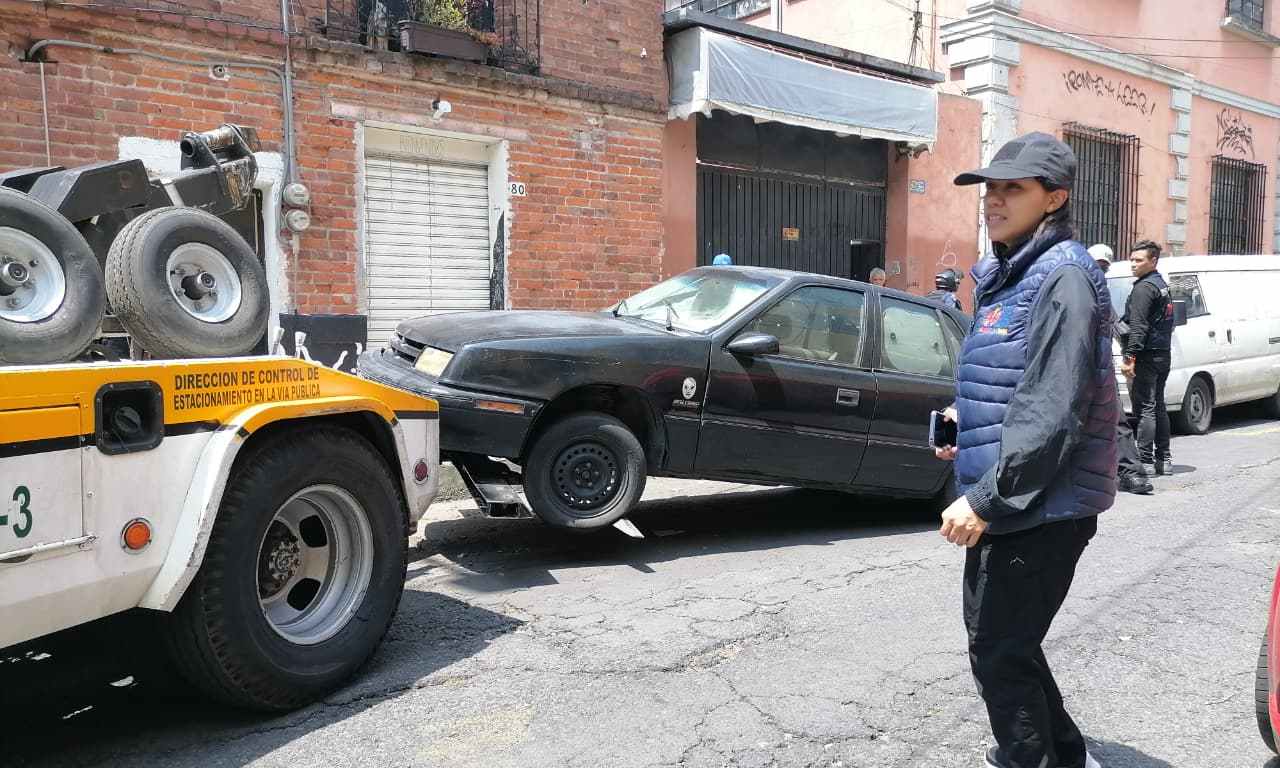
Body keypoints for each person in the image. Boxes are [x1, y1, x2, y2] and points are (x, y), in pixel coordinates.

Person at [936, 132, 1116, 768]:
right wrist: (965, 419)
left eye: (1013, 188)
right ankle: (1063, 753)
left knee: (999, 648)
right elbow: (1013, 381)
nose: (994, 200)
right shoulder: (1010, 273)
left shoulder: (1062, 276)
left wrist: (986, 498)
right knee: (1009, 644)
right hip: (1023, 496)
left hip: (1041, 504)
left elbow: (1054, 407)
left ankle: (1030, 757)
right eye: (990, 188)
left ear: (1054, 198)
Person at [1090, 245, 1151, 495]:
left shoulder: (1101, 292)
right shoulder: (1072, 285)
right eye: (1097, 266)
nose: (1100, 271)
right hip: (1071, 368)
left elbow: (1118, 327)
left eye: (1104, 268)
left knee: (1116, 419)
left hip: (1099, 367)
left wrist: (1129, 356)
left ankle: (1131, 472)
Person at [1120, 240, 1175, 476]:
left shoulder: (1144, 288)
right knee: (1158, 406)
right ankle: (1164, 459)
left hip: (1146, 356)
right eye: (1132, 259)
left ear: (1153, 261)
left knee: (1145, 408)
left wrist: (1130, 357)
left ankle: (1145, 461)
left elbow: (1139, 327)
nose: (1133, 264)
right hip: (1162, 354)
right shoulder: (1161, 284)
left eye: (1139, 260)